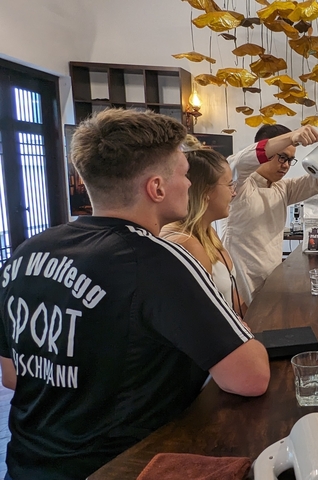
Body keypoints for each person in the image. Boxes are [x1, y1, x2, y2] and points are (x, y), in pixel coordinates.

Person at [0, 109, 270, 480]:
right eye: (185, 175)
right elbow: (250, 377)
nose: (190, 186)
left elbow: (13, 375)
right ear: (156, 187)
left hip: (24, 465)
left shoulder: (27, 252)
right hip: (120, 466)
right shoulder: (158, 260)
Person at [222, 124, 318, 304]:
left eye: (290, 159)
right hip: (241, 284)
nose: (285, 165)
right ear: (268, 150)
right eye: (282, 157)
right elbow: (237, 163)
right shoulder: (239, 185)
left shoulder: (282, 188)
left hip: (272, 278)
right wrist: (291, 136)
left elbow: (317, 182)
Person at [161, 135, 244, 316]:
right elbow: (201, 318)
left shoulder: (208, 232)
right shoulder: (186, 243)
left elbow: (232, 298)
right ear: (206, 191)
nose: (234, 192)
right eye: (229, 185)